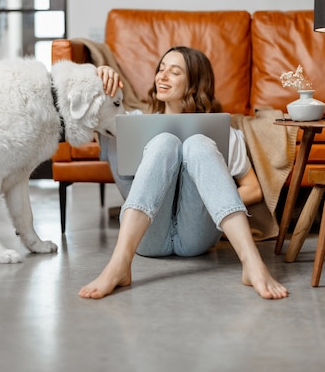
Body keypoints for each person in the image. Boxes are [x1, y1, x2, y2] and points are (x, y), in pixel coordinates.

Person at [84, 46, 288, 300]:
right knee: (164, 141)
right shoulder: (131, 121)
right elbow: (92, 116)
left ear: (193, 83)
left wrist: (210, 196)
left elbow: (254, 189)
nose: (162, 76)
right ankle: (119, 265)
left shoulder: (223, 133)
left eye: (175, 71)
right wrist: (97, 75)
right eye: (161, 69)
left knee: (198, 143)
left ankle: (252, 264)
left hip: (196, 237)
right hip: (148, 238)